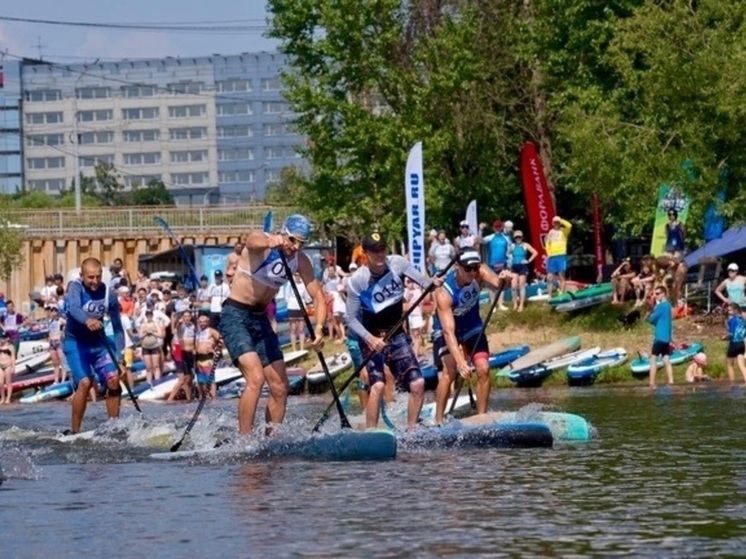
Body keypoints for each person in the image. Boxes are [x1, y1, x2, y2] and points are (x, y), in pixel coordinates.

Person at [220, 214, 326, 435]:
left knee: (280, 387)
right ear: (283, 233)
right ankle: (244, 441)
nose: (295, 247)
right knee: (256, 379)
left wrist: (319, 329)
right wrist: (271, 241)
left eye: (301, 243)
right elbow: (251, 240)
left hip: (261, 320)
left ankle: (271, 441)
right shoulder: (264, 244)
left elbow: (318, 296)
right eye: (292, 240)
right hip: (236, 315)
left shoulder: (300, 260)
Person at [345, 231, 442, 430]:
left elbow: (425, 283)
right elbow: (350, 319)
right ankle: (372, 435)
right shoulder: (358, 280)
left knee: (417, 384)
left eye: (382, 250)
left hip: (397, 336)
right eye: (374, 251)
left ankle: (412, 431)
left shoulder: (397, 263)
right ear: (365, 253)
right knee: (378, 386)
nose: (380, 255)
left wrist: (433, 283)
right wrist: (370, 338)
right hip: (371, 338)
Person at [432, 248, 511, 424]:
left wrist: (505, 279)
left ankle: (482, 418)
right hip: (447, 329)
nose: (472, 272)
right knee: (450, 370)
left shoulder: (479, 273)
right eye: (468, 269)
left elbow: (500, 285)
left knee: (483, 369)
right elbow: (448, 332)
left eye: (475, 267)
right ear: (457, 267)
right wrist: (461, 362)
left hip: (472, 325)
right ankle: (438, 420)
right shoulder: (444, 293)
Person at [62, 258, 125, 434]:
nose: (95, 281)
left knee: (113, 379)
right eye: (90, 277)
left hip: (99, 343)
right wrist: (87, 320)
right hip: (75, 343)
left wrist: (120, 358)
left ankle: (114, 428)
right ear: (82, 276)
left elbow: (118, 328)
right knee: (85, 382)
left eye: (98, 277)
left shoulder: (108, 295)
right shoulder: (76, 287)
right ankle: (75, 431)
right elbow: (74, 308)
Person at [646, 285, 674, 389]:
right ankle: (671, 382)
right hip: (666, 338)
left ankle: (652, 384)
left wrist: (649, 313)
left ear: (663, 294)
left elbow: (652, 320)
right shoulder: (668, 306)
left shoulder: (661, 306)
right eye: (655, 294)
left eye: (657, 294)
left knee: (653, 359)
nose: (655, 296)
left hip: (659, 337)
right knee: (666, 359)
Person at [168, 311, 196, 402]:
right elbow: (177, 327)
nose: (187, 318)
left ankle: (189, 398)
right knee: (182, 379)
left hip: (188, 353)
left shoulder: (193, 326)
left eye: (188, 316)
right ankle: (169, 400)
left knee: (188, 378)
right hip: (179, 352)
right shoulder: (181, 326)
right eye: (185, 316)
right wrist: (178, 322)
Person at [482, 220, 511, 311]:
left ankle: (500, 304)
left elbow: (509, 251)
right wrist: (480, 230)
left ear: (501, 227)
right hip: (492, 263)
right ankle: (493, 305)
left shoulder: (506, 238)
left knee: (502, 284)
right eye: (496, 227)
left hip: (503, 264)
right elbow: (480, 240)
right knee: (492, 285)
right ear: (493, 228)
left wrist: (509, 263)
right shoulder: (490, 237)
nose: (497, 228)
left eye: (499, 227)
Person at [508, 230, 538, 312]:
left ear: (522, 237)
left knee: (521, 286)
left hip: (523, 267)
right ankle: (515, 303)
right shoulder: (512, 246)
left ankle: (521, 304)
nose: (518, 239)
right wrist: (509, 261)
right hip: (514, 267)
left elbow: (535, 252)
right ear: (514, 238)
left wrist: (528, 260)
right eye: (516, 237)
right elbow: (507, 254)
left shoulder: (525, 245)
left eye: (519, 237)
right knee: (513, 286)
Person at [195, 313, 222, 400]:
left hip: (208, 358)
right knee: (200, 380)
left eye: (204, 322)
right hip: (199, 358)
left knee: (210, 379)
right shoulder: (198, 333)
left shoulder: (211, 331)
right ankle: (203, 397)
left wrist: (216, 350)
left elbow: (221, 340)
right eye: (200, 322)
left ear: (208, 322)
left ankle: (213, 397)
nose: (202, 323)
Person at [545, 216, 572, 300]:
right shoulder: (550, 232)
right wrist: (548, 253)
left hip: (561, 255)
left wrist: (561, 220)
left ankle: (562, 293)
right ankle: (549, 296)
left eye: (557, 222)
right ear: (552, 223)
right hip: (552, 257)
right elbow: (547, 243)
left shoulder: (564, 231)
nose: (556, 224)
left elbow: (569, 225)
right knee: (549, 277)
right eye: (555, 222)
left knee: (561, 276)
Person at [282, 271, 310, 351]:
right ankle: (294, 349)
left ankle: (302, 348)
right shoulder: (290, 284)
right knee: (293, 329)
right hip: (292, 305)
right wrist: (288, 303)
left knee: (301, 329)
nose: (297, 276)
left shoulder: (303, 285)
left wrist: (307, 304)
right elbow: (286, 295)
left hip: (301, 306)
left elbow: (306, 297)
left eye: (299, 275)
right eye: (296, 275)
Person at [138, 308, 164, 384]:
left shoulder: (156, 324)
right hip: (146, 347)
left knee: (156, 366)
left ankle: (157, 382)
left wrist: (152, 332)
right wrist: (146, 333)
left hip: (154, 346)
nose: (149, 316)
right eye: (147, 315)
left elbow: (160, 334)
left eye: (150, 315)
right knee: (148, 368)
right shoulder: (143, 325)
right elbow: (140, 336)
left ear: (152, 315)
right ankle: (149, 383)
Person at [723, 303, 746, 384]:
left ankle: (732, 383)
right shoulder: (742, 319)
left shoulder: (733, 320)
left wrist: (724, 337)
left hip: (734, 343)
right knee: (741, 365)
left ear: (736, 310)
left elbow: (731, 334)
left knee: (729, 364)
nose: (728, 312)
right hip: (742, 344)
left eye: (730, 310)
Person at [47, 306, 66, 384]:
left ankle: (63, 380)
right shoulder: (49, 321)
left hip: (59, 342)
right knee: (55, 363)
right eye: (52, 311)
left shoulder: (60, 320)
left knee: (62, 361)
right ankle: (56, 380)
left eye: (55, 311)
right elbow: (49, 332)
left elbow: (67, 324)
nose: (54, 313)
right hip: (52, 342)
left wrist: (62, 332)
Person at [0, 332, 16, 404]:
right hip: (0, 366)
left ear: (8, 338)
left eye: (4, 338)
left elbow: (13, 357)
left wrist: (13, 367)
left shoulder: (11, 347)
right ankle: (2, 398)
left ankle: (8, 398)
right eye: (1, 338)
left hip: (8, 366)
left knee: (8, 382)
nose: (2, 339)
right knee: (0, 383)